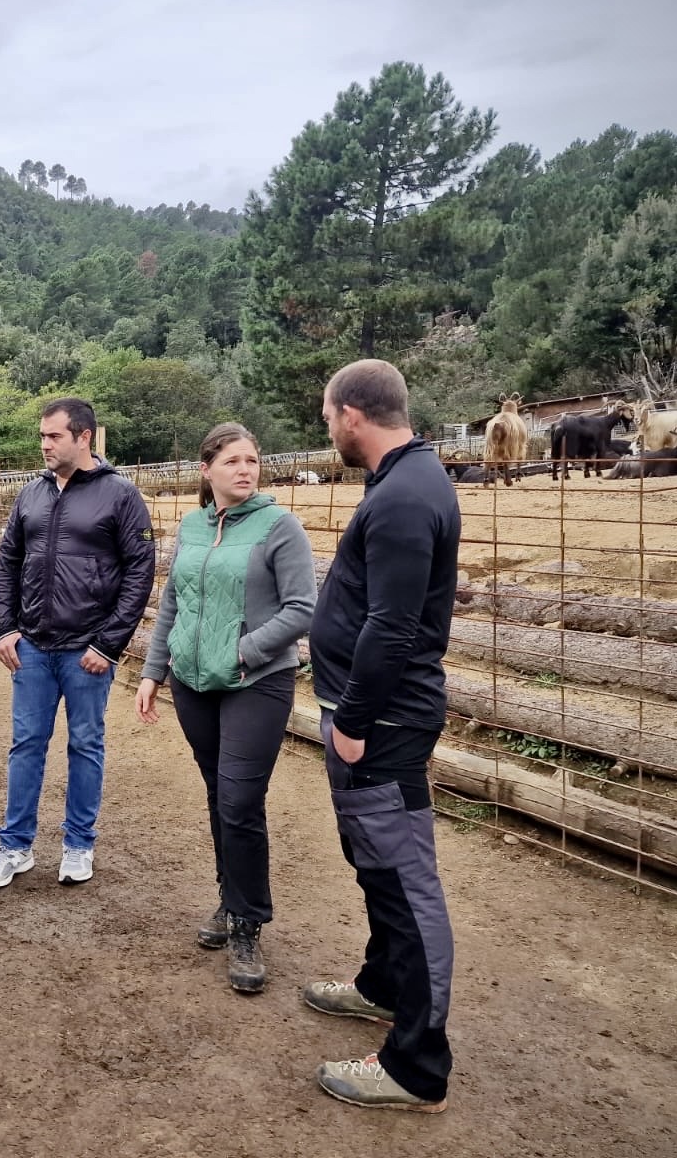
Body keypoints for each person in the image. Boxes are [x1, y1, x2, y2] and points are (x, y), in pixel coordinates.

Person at [302, 359, 460, 1112]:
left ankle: (415, 1065)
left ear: (352, 414)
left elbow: (392, 626)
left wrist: (356, 721)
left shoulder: (402, 496)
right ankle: (381, 985)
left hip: (383, 723)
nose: (327, 427)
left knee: (405, 880)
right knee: (376, 864)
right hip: (372, 716)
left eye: (328, 415)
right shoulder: (405, 482)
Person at [135, 423, 315, 994]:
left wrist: (243, 648)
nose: (246, 469)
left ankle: (248, 923)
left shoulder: (279, 527)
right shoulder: (191, 526)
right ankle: (228, 899)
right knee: (219, 796)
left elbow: (303, 607)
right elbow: (172, 603)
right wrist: (152, 670)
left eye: (253, 460)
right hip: (193, 682)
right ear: (206, 469)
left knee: (240, 800)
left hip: (254, 681)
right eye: (233, 461)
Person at [0, 397, 155, 889]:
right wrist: (3, 627)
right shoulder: (30, 495)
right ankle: (15, 847)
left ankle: (79, 845)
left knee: (86, 744)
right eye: (41, 436)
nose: (44, 445)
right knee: (26, 745)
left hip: (87, 652)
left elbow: (140, 572)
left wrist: (108, 643)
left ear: (84, 437)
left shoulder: (120, 495)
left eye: (53, 436)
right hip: (31, 646)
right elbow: (7, 562)